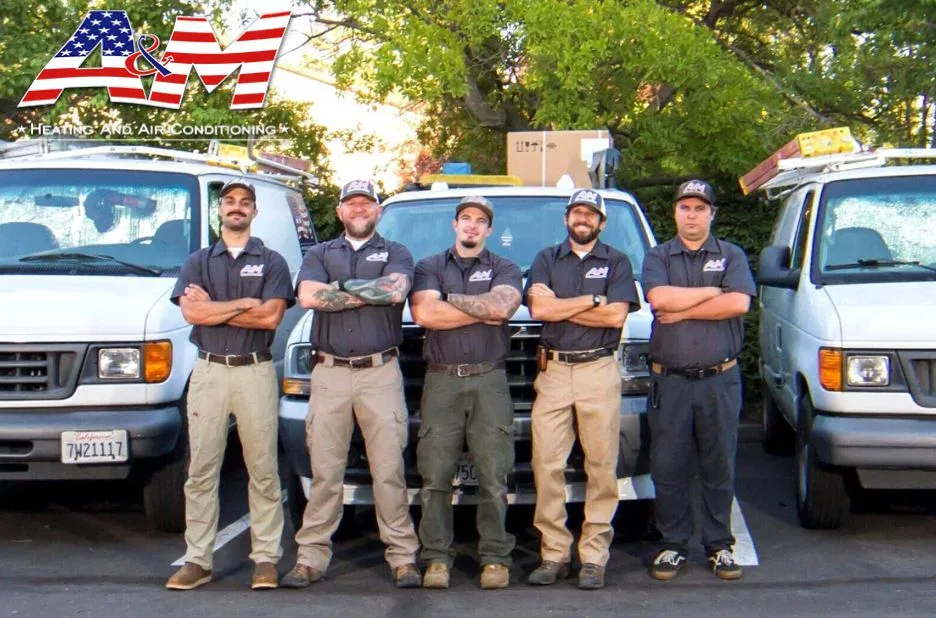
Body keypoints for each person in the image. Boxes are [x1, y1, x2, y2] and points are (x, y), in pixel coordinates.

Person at [281, 180, 422, 589]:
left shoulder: (397, 252)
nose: (359, 209)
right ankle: (310, 558)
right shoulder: (320, 253)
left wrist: (339, 288)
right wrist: (369, 291)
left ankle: (403, 558)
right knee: (325, 472)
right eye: (351, 204)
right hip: (330, 374)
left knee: (389, 470)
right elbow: (309, 297)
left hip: (381, 373)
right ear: (340, 211)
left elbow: (395, 291)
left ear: (377, 210)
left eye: (366, 203)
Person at [166, 178, 294, 591]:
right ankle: (198, 560)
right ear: (219, 210)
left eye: (245, 202)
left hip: (255, 370)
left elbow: (270, 317)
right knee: (201, 469)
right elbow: (192, 314)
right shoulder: (198, 261)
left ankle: (266, 559)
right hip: (209, 371)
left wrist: (214, 308)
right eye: (230, 201)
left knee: (263, 469)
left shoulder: (272, 261)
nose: (237, 207)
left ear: (255, 211)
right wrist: (242, 303)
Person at [524, 189, 639, 590]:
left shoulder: (617, 261)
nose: (582, 219)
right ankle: (554, 553)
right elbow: (540, 310)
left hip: (598, 369)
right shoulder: (545, 259)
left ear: (601, 222)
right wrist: (592, 299)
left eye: (590, 214)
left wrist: (564, 305)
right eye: (576, 212)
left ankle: (593, 556)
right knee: (546, 465)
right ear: (566, 219)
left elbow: (615, 317)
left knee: (601, 466)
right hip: (553, 371)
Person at [642, 179, 756, 581]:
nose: (692, 215)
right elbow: (659, 300)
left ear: (712, 214)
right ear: (675, 212)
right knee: (668, 465)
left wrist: (684, 309)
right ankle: (672, 544)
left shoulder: (731, 254)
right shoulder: (658, 256)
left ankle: (719, 545)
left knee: (718, 464)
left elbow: (738, 302)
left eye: (700, 208)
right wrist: (712, 291)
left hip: (719, 380)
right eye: (685, 208)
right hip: (670, 381)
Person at [409, 195, 523, 590]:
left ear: (489, 229)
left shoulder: (506, 267)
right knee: (435, 477)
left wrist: (448, 300)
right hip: (441, 382)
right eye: (466, 218)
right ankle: (437, 558)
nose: (472, 225)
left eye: (480, 220)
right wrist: (479, 308)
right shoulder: (428, 266)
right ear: (455, 225)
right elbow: (424, 314)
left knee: (493, 476)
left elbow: (502, 308)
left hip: (490, 380)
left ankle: (495, 558)